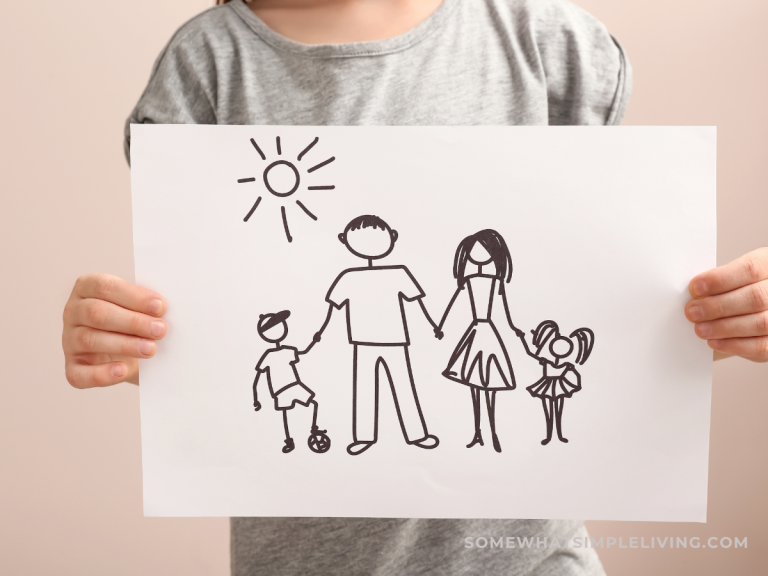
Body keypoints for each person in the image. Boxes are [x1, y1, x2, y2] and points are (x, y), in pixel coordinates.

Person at [59, 0, 768, 574]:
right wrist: (127, 336)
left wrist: (719, 318)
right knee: (374, 391)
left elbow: (590, 289)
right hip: (299, 562)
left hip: (533, 562)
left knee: (415, 387)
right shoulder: (208, 65)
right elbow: (212, 313)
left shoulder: (548, 43)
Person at [314, 215, 440, 455]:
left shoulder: (399, 273)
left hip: (395, 340)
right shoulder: (348, 276)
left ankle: (417, 435)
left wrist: (433, 325)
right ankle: (363, 437)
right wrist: (320, 332)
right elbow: (332, 310)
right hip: (362, 342)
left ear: (392, 237)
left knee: (404, 386)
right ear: (344, 240)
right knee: (364, 389)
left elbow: (418, 303)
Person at [437, 229, 526, 453]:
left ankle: (493, 431)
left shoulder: (497, 283)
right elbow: (452, 304)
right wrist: (440, 326)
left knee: (490, 387)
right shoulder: (467, 281)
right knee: (474, 387)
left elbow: (505, 312)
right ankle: (478, 432)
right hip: (475, 332)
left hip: (488, 334)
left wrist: (514, 329)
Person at [252, 310, 330, 454]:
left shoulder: (288, 351)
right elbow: (257, 378)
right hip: (281, 391)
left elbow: (304, 351)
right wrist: (256, 399)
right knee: (285, 414)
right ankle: (289, 440)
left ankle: (313, 430)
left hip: (294, 385)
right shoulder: (268, 356)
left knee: (313, 403)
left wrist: (315, 340)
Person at [525, 320, 594, 445]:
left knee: (558, 411)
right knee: (548, 411)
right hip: (546, 385)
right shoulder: (547, 362)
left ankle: (559, 435)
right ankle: (549, 436)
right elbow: (529, 353)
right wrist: (522, 338)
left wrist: (577, 385)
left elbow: (577, 375)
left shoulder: (565, 365)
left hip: (559, 386)